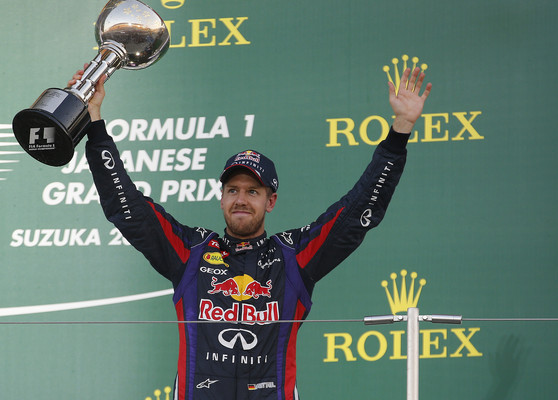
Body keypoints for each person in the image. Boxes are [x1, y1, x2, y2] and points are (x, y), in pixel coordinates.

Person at [70, 66, 431, 400]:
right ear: (221, 198)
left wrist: (400, 130)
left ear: (270, 201)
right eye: (233, 190)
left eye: (252, 191)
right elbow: (128, 208)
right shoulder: (192, 250)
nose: (241, 199)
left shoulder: (292, 257)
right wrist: (95, 124)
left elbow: (355, 214)